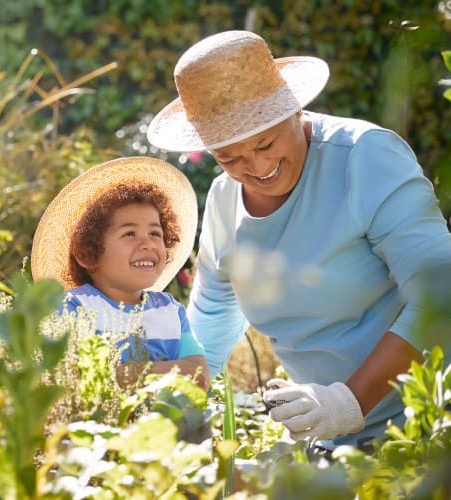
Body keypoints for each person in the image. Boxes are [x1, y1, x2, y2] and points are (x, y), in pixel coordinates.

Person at [146, 30, 451, 451]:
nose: (257, 167)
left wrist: (346, 403)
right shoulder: (223, 201)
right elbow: (213, 316)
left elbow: (440, 294)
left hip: (431, 424)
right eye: (229, 158)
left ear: (293, 107)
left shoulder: (364, 158)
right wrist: (175, 408)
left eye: (265, 143)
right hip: (331, 440)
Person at [31, 157, 210, 390]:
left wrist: (123, 373)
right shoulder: (74, 307)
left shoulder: (170, 311)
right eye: (129, 234)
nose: (148, 244)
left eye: (155, 234)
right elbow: (75, 378)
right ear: (88, 253)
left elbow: (199, 375)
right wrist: (170, 372)